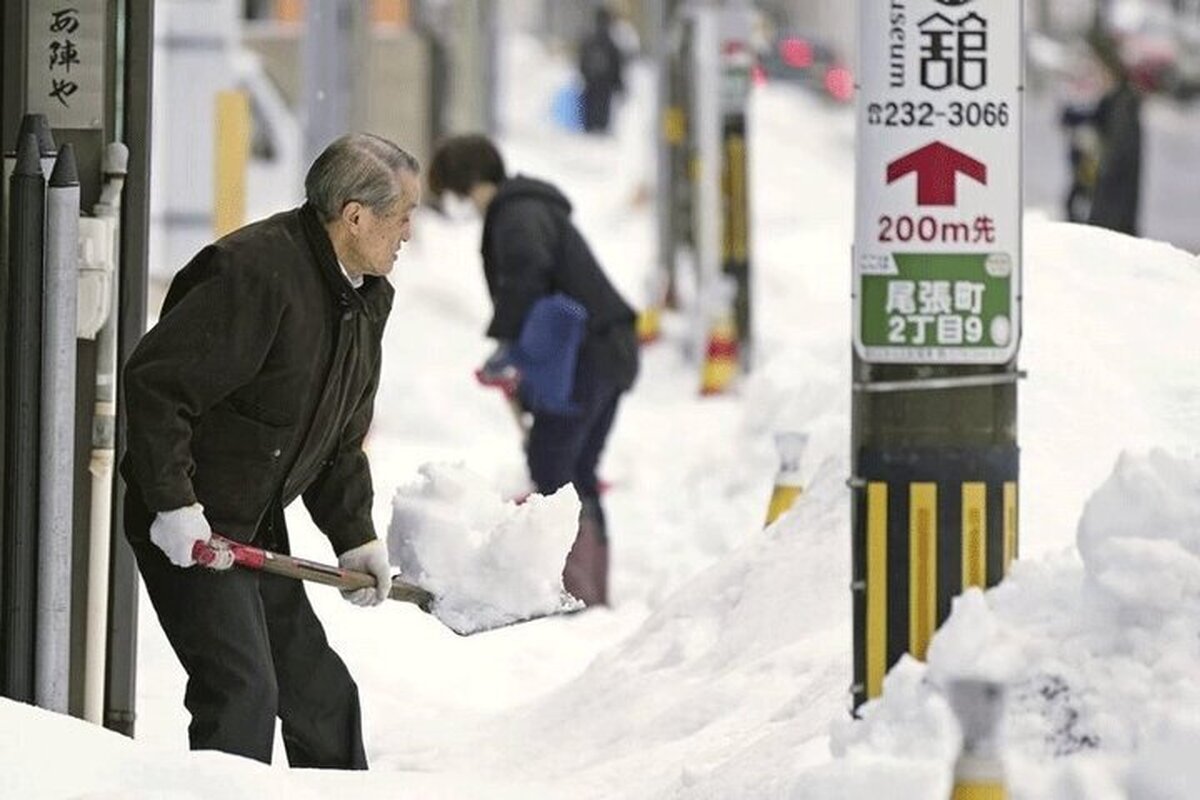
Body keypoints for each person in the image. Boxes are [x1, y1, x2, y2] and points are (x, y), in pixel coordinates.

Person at [120, 133, 420, 767]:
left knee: (321, 697)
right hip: (191, 520)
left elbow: (338, 438)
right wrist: (173, 504)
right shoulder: (252, 272)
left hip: (253, 520)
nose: (408, 234)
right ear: (356, 216)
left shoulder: (364, 298)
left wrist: (354, 536)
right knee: (242, 692)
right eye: (402, 216)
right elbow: (158, 385)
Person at [427, 134, 639, 607]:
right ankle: (588, 589)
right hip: (605, 349)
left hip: (592, 353)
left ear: (465, 183)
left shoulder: (516, 214)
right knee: (573, 467)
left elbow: (526, 271)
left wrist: (507, 344)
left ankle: (576, 588)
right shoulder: (524, 208)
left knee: (554, 464)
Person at [1086, 31, 1143, 236]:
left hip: (1114, 214)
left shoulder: (1123, 105)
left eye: (1098, 69)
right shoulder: (1113, 102)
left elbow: (1116, 158)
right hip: (1111, 209)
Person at [577, 5, 626, 134]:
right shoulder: (611, 43)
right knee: (602, 115)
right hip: (605, 86)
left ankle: (591, 128)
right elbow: (617, 65)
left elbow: (582, 61)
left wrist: (584, 75)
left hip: (591, 83)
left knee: (591, 113)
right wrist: (618, 83)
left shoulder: (589, 40)